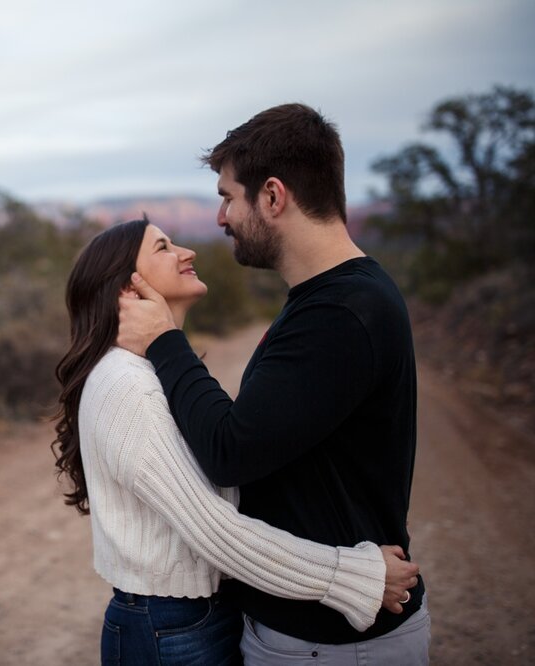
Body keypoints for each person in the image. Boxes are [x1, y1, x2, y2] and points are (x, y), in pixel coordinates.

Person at [116, 104, 429, 663]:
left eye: (227, 196)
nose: (220, 217)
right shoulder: (331, 300)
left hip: (331, 644)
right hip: (315, 634)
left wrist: (165, 338)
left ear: (273, 197)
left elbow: (231, 450)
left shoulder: (340, 312)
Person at [53, 216, 419, 666]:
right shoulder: (127, 384)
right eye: (165, 247)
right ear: (128, 290)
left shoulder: (151, 371)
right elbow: (215, 529)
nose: (187, 253)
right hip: (171, 628)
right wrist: (353, 576)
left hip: (192, 616)